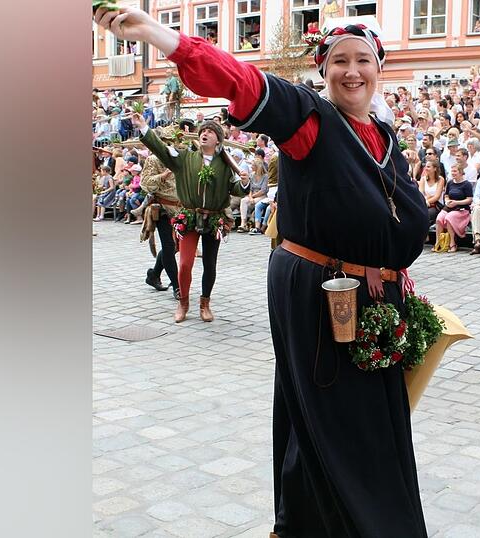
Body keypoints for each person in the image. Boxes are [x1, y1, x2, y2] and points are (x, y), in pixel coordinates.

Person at [96, 8, 429, 536]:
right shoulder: (310, 121)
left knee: (341, 420)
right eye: (339, 60)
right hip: (324, 293)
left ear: (379, 67)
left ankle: (303, 523)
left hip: (373, 296)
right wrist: (162, 37)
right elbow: (243, 81)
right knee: (345, 424)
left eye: (363, 60)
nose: (352, 71)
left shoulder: (385, 139)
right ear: (323, 69)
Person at [134, 112, 249, 322]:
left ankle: (205, 303)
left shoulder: (225, 164)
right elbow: (161, 150)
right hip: (188, 217)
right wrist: (143, 128)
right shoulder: (185, 158)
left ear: (218, 140)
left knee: (210, 264)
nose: (205, 134)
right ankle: (183, 303)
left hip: (214, 219)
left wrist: (243, 182)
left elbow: (236, 190)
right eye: (203, 131)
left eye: (210, 132)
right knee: (185, 263)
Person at [140, 153, 181, 298]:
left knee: (175, 247)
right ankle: (177, 286)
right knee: (169, 246)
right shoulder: (153, 159)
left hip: (181, 208)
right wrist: (162, 176)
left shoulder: (179, 157)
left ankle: (154, 274)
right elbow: (144, 183)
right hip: (163, 208)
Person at [434, 163, 475, 252]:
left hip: (462, 209)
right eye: (452, 171)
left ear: (460, 172)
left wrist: (456, 202)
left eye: (455, 171)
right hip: (450, 206)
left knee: (449, 217)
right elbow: (446, 195)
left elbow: (469, 199)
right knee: (439, 218)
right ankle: (438, 242)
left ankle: (452, 243)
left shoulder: (466, 184)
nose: (453, 173)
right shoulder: (450, 183)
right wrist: (447, 201)